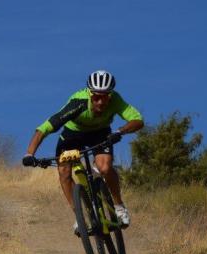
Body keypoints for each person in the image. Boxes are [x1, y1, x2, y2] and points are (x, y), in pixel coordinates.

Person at [22, 70, 143, 233]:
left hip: (100, 133)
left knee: (105, 168)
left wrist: (120, 131)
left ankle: (119, 207)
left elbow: (137, 120)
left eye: (105, 97)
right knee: (64, 172)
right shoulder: (78, 102)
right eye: (96, 97)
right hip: (73, 135)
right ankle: (80, 216)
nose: (101, 102)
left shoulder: (115, 100)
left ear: (110, 95)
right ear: (89, 94)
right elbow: (43, 129)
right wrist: (29, 154)